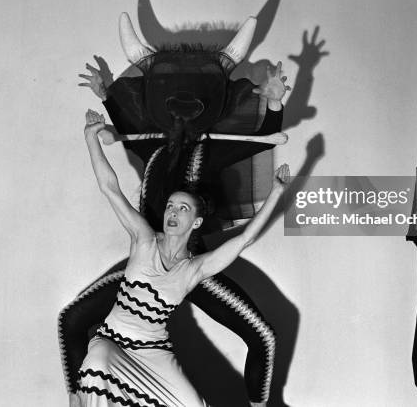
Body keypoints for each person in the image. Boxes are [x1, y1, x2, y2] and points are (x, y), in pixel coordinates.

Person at [76, 109, 290, 407]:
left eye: (183, 209)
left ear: (197, 223)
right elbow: (110, 188)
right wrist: (91, 139)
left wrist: (277, 192)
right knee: (94, 365)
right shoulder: (143, 238)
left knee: (193, 404)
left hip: (154, 350)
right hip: (112, 341)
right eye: (170, 207)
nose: (173, 213)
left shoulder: (195, 269)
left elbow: (245, 239)